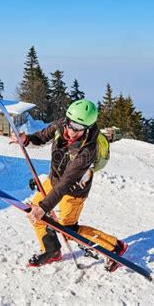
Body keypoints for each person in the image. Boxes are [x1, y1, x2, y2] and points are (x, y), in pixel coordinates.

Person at [9, 99, 127, 272]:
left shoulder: (88, 150)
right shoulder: (61, 125)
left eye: (79, 128)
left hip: (74, 191)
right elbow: (41, 136)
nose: (72, 131)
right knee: (34, 213)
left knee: (67, 229)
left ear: (87, 128)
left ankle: (114, 247)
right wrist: (26, 139)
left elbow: (67, 182)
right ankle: (51, 250)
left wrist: (45, 207)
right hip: (53, 180)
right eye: (71, 124)